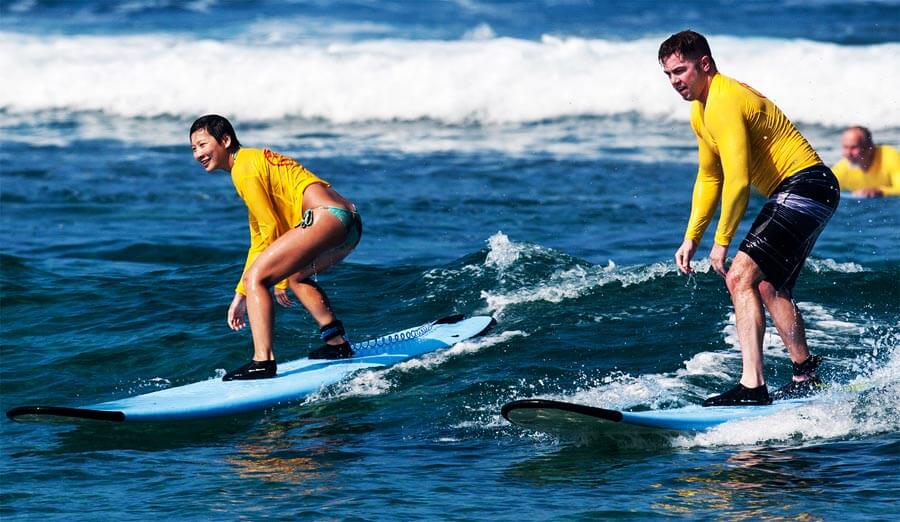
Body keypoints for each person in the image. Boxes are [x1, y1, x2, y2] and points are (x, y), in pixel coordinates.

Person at [658, 31, 840, 406]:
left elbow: (738, 180)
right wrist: (692, 236)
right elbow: (710, 176)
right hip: (813, 190)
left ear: (704, 64)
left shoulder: (725, 99)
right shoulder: (701, 109)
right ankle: (805, 375)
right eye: (669, 75)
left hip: (804, 185)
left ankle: (753, 387)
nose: (675, 81)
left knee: (740, 275)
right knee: (767, 285)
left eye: (681, 71)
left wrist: (721, 243)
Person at [189, 115, 362, 380]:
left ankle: (263, 361)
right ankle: (337, 344)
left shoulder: (243, 168)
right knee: (296, 276)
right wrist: (241, 294)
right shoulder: (252, 161)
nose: (198, 154)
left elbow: (269, 229)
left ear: (225, 140)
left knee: (258, 278)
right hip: (348, 220)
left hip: (325, 216)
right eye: (194, 149)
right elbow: (258, 235)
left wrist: (254, 285)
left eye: (202, 145)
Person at [832, 126, 900, 197]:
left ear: (869, 148)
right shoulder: (843, 168)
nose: (848, 153)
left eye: (854, 147)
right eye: (845, 147)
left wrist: (879, 191)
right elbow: (825, 186)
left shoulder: (889, 157)